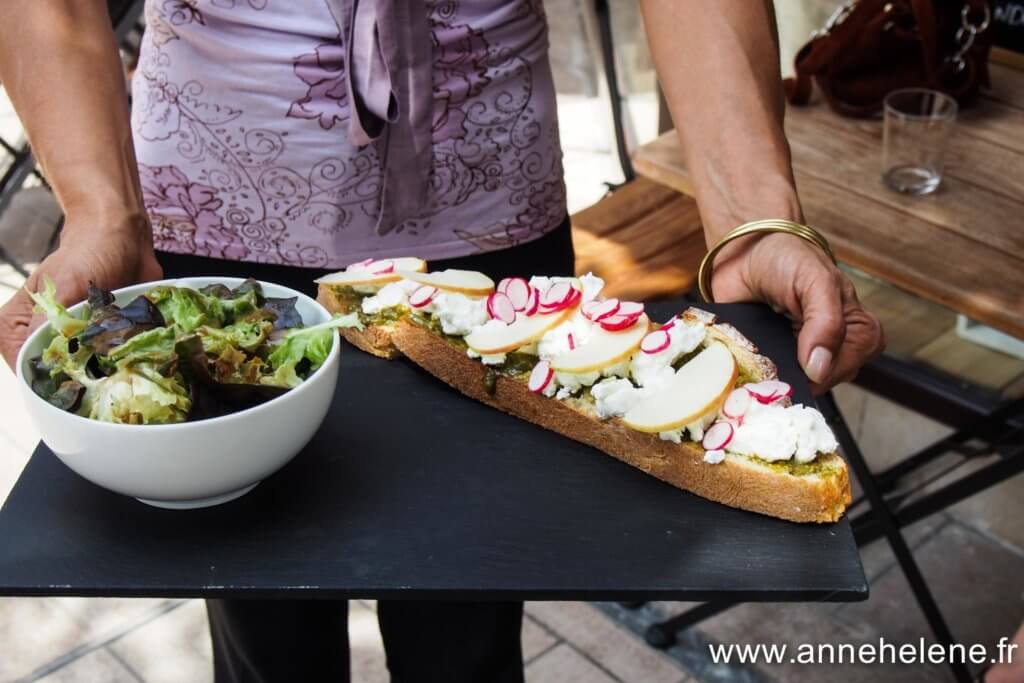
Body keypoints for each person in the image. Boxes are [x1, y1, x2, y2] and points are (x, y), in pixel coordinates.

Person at [0, 1, 884, 681]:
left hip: (491, 220)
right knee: (262, 624)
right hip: (214, 222)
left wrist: (751, 221)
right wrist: (98, 209)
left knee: (470, 623)